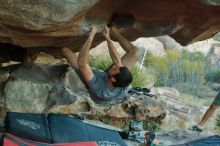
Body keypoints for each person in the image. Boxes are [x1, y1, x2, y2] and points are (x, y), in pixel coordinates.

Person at [62, 25, 140, 103]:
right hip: (107, 79)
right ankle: (114, 31)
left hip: (94, 83)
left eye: (114, 69)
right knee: (135, 53)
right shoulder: (123, 82)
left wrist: (91, 37)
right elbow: (117, 62)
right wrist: (108, 38)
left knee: (65, 50)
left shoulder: (100, 89)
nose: (113, 66)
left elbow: (82, 64)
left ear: (113, 79)